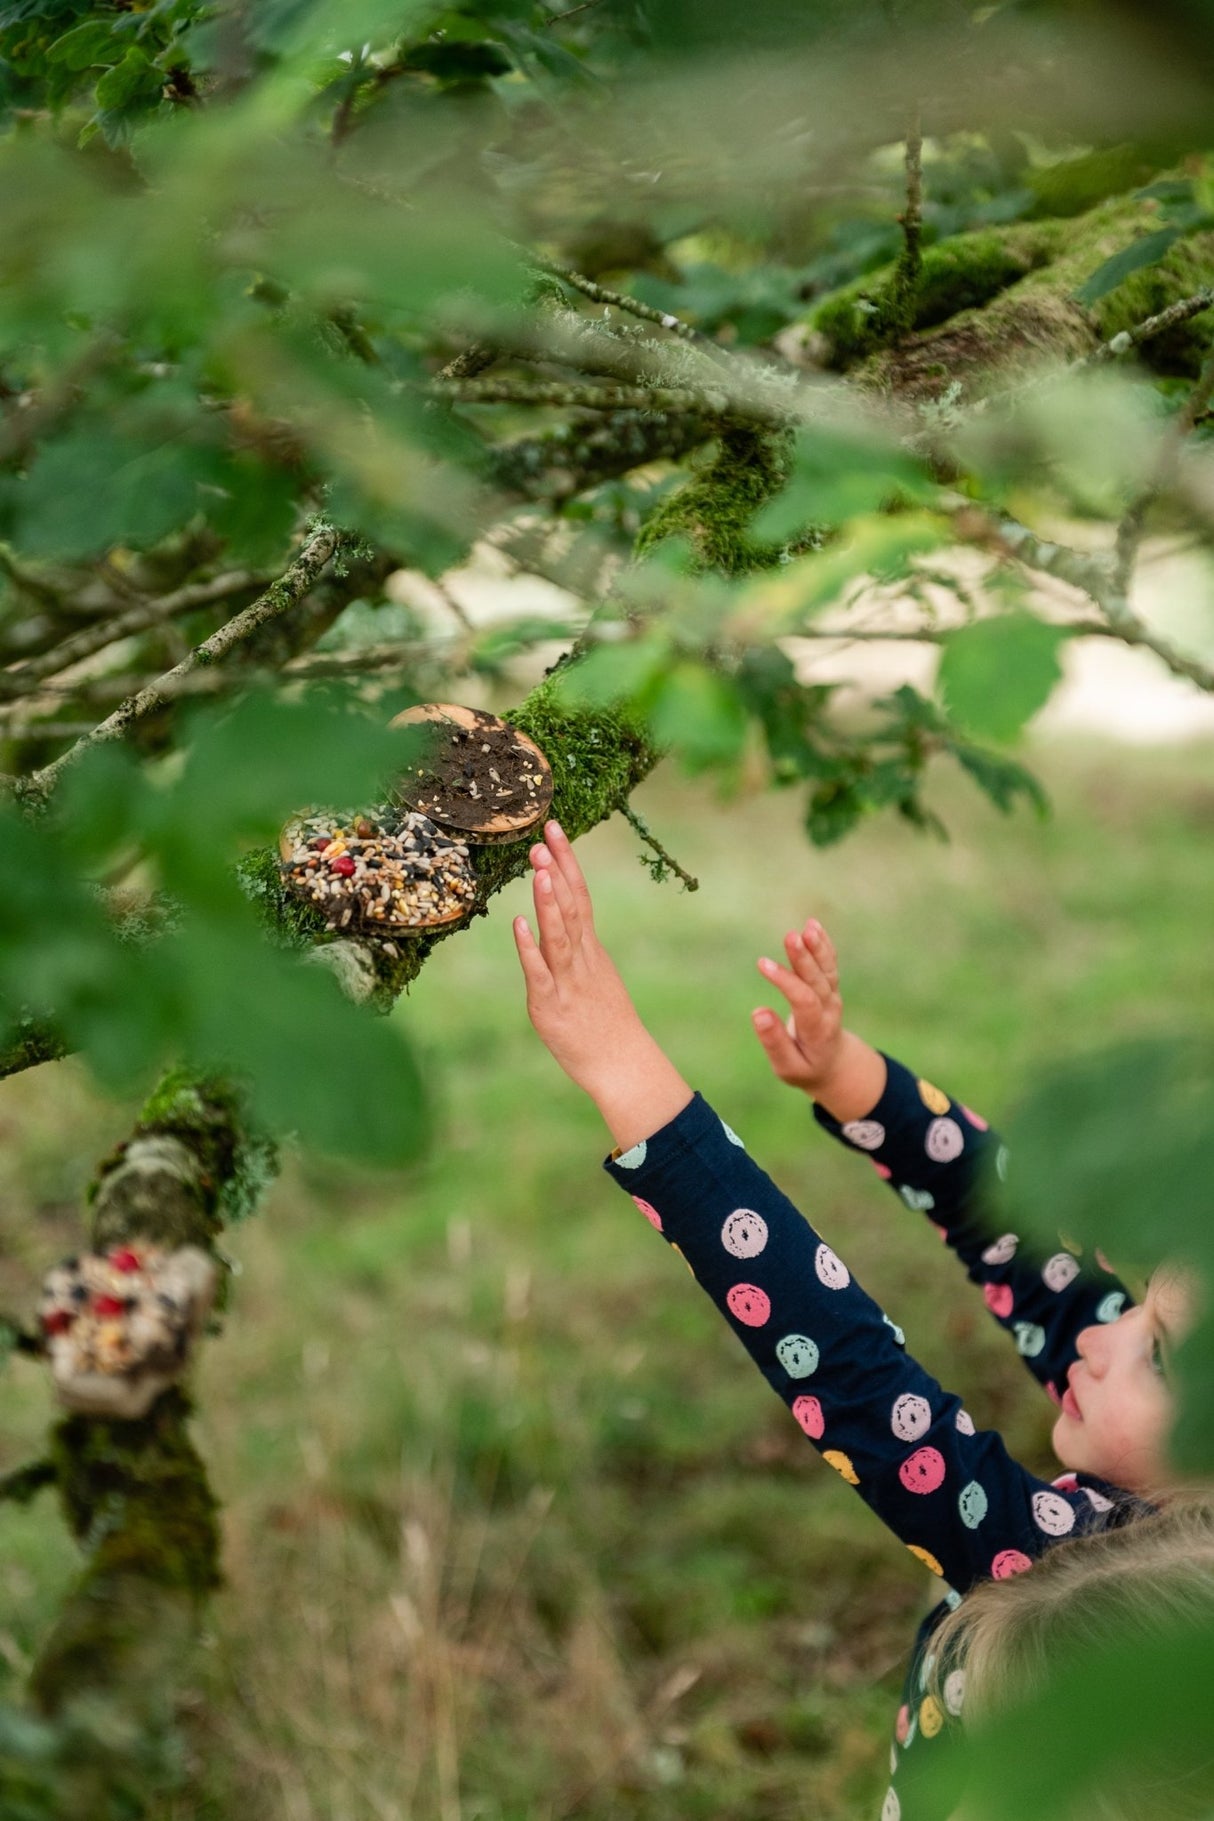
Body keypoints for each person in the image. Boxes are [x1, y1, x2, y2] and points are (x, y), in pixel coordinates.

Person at [511, 820, 1203, 1821]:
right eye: (1140, 1307)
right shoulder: (1172, 1453)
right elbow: (1015, 1235)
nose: (1097, 1334)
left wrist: (622, 1068)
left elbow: (851, 1375)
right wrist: (853, 1081)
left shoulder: (1085, 1569)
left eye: (1160, 1353)